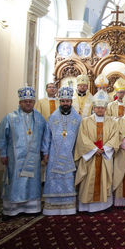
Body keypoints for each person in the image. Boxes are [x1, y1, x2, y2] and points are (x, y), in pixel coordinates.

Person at [0, 86, 47, 220]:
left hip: (33, 159)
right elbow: (2, 137)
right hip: (15, 159)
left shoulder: (40, 119)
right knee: (15, 182)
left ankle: (32, 208)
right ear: (20, 102)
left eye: (30, 101)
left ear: (34, 102)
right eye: (25, 101)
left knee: (32, 182)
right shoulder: (10, 118)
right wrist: (3, 153)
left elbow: (46, 137)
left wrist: (45, 152)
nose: (28, 103)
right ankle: (12, 211)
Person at [74, 90, 119, 213]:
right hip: (91, 156)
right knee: (88, 179)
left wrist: (105, 149)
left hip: (104, 156)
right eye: (98, 107)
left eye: (102, 108)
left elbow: (115, 137)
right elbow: (82, 138)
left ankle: (104, 205)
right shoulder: (85, 121)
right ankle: (87, 206)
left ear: (105, 109)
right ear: (93, 108)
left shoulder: (112, 122)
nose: (100, 110)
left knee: (105, 178)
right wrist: (94, 149)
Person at [42, 86, 81, 215]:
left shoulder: (78, 119)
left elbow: (81, 139)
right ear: (60, 102)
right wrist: (45, 153)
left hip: (70, 155)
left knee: (69, 180)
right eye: (63, 101)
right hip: (54, 155)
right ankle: (51, 208)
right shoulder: (52, 118)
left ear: (71, 102)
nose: (65, 103)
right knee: (54, 179)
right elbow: (47, 137)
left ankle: (68, 208)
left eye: (67, 101)